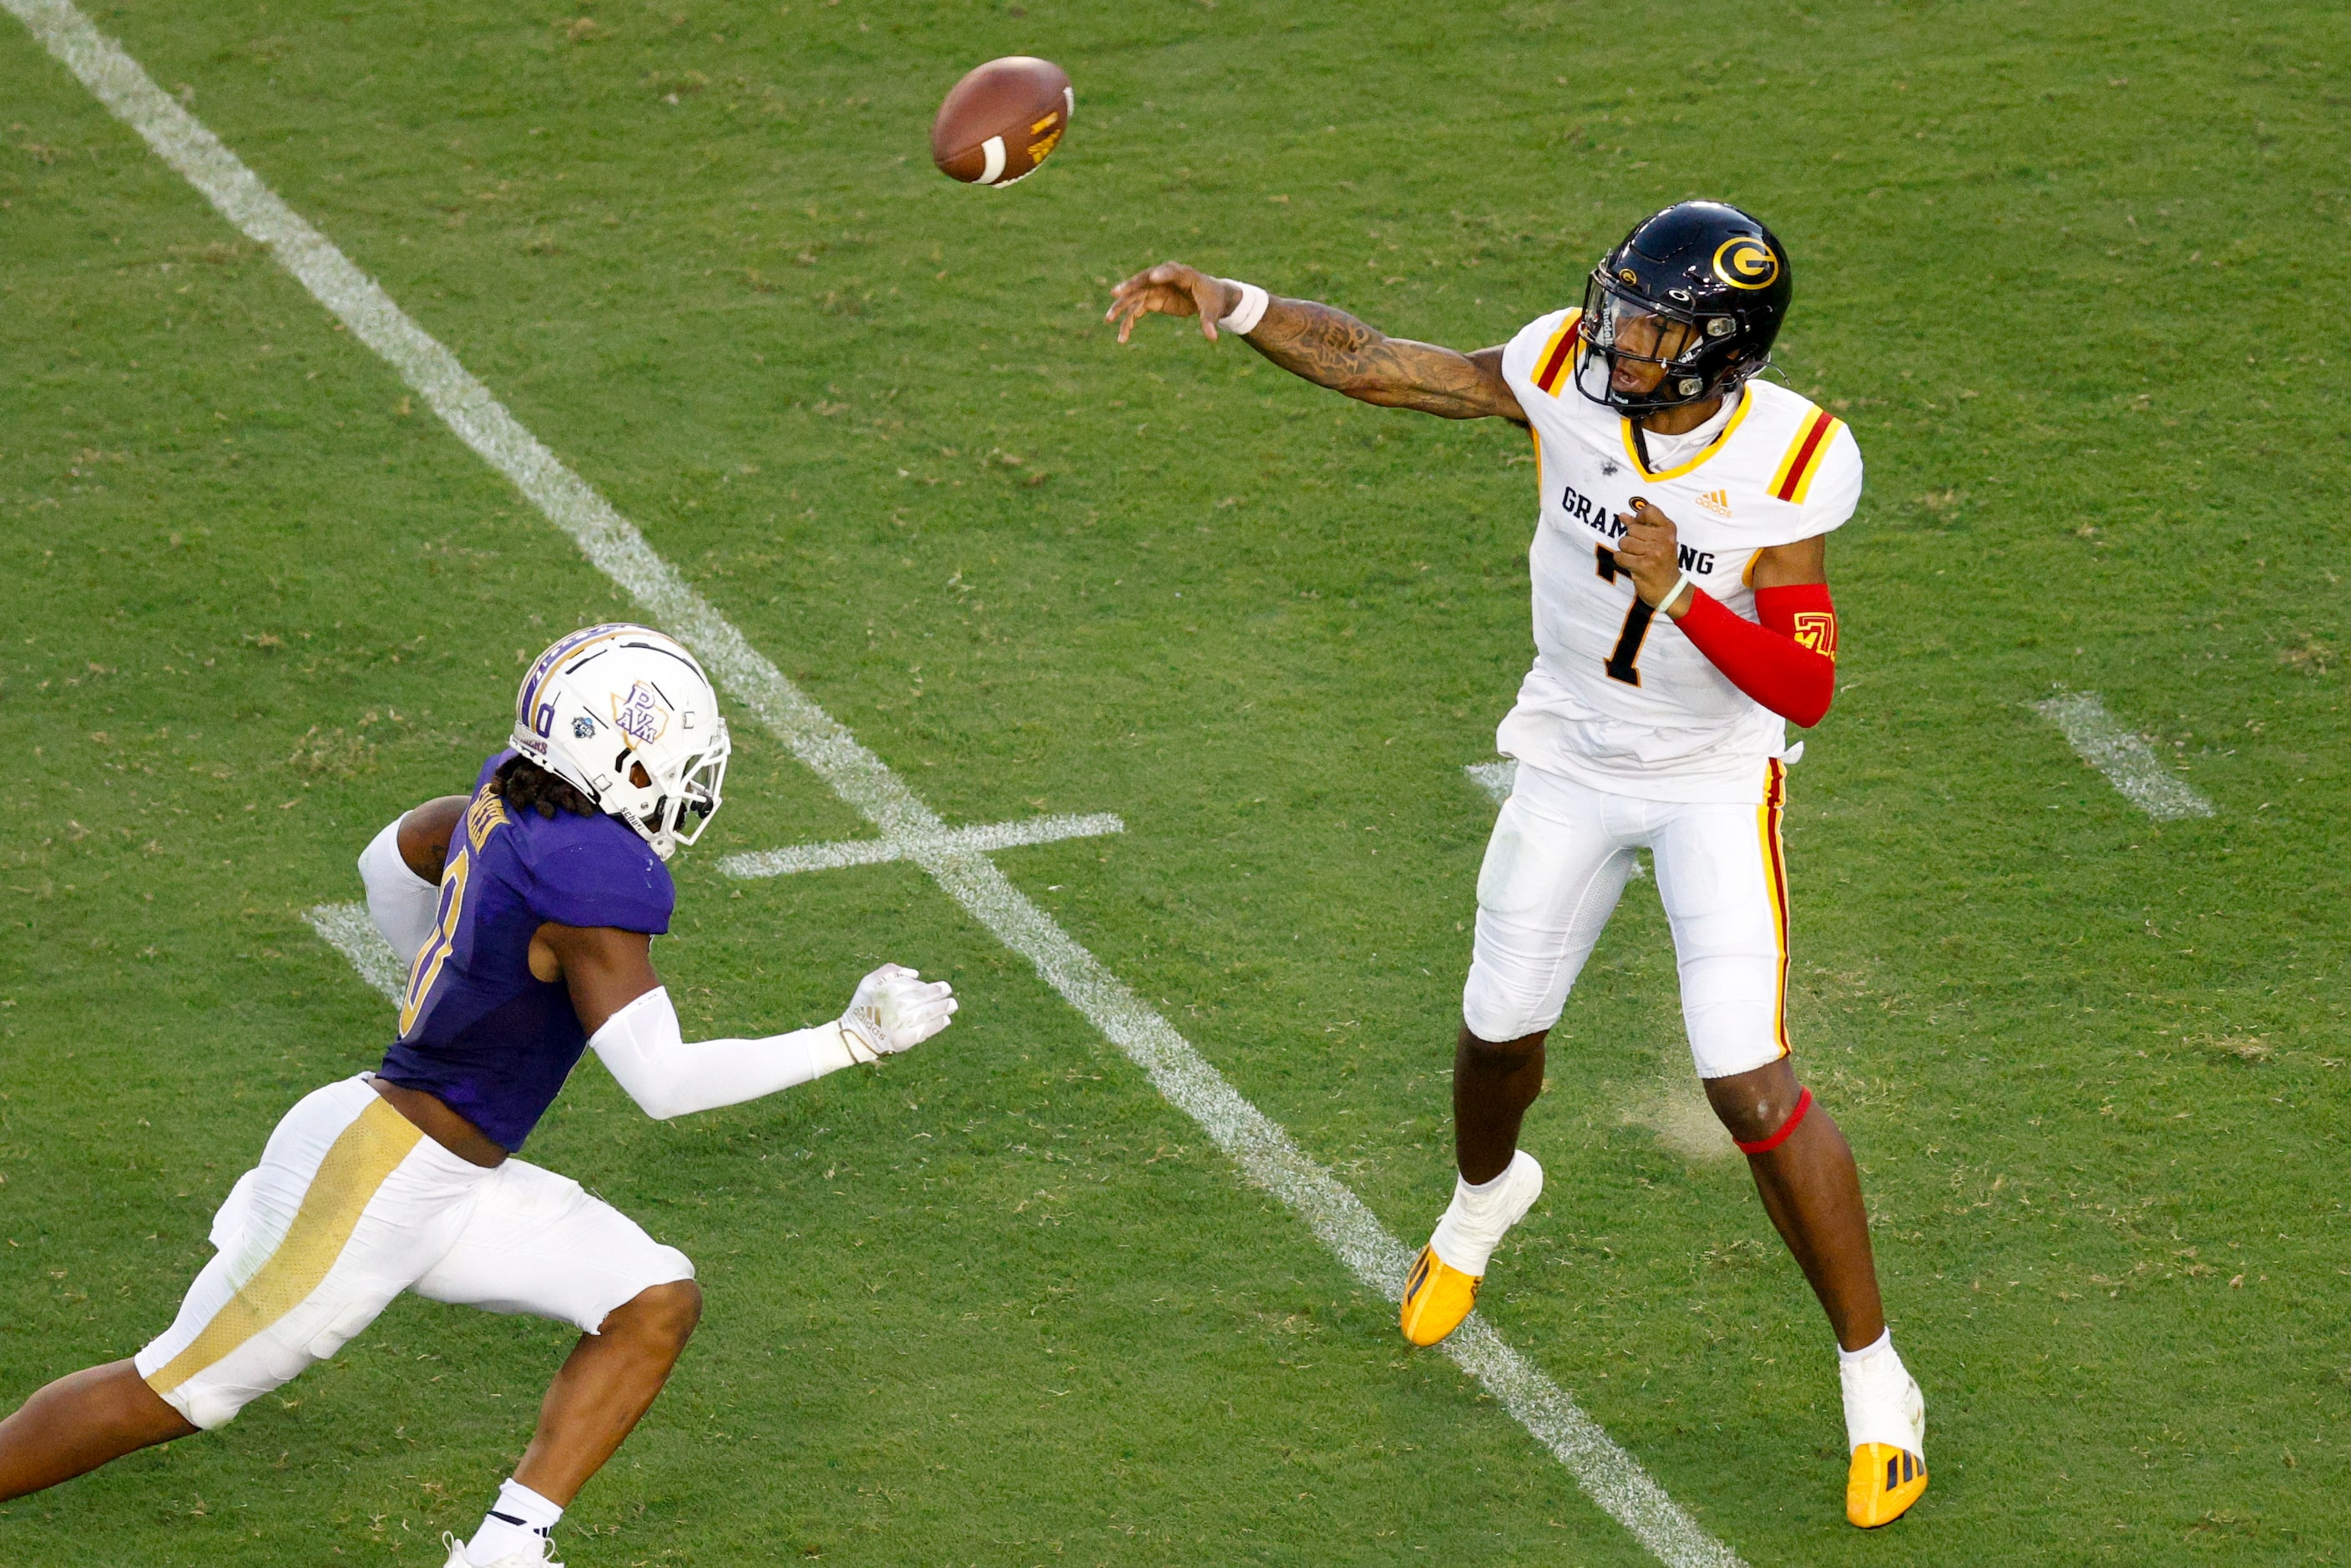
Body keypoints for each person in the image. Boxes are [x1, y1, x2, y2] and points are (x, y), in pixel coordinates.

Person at [1105, 202, 1926, 1527]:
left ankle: (1879, 1379)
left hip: (1713, 780)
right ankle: (1484, 1200)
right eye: (1619, 306)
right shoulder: (1560, 372)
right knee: (1496, 1033)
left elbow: (1808, 683)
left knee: (1749, 1078)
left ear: (1725, 351)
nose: (1616, 338)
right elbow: (1385, 360)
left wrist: (1680, 592)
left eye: (1653, 325)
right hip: (1567, 755)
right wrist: (1240, 303)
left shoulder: (1798, 457)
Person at [0, 624, 958, 1566]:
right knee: (169, 1390)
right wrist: (848, 1041)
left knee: (652, 1296)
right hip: (373, 1178)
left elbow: (399, 852)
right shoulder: (590, 880)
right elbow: (663, 1083)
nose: (692, 786)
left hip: (442, 1178)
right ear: (615, 758)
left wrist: (452, 969)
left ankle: (502, 1551)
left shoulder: (513, 795)